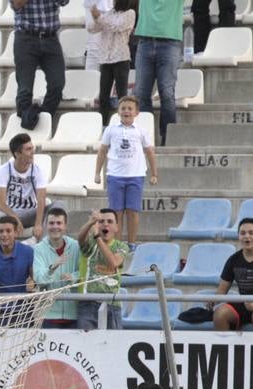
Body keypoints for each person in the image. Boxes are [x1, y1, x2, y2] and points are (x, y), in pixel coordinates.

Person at [95, 96, 158, 246]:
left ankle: (131, 243)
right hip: (115, 176)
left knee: (132, 211)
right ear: (118, 111)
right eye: (123, 108)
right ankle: (116, 244)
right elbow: (102, 151)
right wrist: (97, 173)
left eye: (130, 108)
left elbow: (149, 152)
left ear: (136, 112)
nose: (126, 111)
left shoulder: (141, 131)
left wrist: (154, 173)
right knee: (116, 212)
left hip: (135, 176)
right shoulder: (111, 130)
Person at [11, 0, 68, 131]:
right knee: (25, 89)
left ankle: (42, 118)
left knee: (57, 84)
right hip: (26, 38)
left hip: (50, 38)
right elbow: (16, 4)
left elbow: (64, 2)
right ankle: (25, 123)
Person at [133, 0, 183, 146]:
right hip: (144, 42)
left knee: (166, 93)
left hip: (170, 43)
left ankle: (168, 140)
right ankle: (146, 139)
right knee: (141, 94)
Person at [77, 208, 130, 329]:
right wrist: (90, 223)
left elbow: (113, 263)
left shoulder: (122, 246)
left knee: (113, 346)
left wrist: (97, 236)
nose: (105, 224)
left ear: (117, 227)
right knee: (86, 345)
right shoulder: (91, 244)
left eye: (110, 221)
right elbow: (80, 238)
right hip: (88, 303)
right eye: (101, 221)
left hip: (112, 304)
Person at [87, 0, 137, 123]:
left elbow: (117, 26)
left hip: (121, 58)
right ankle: (103, 124)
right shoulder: (109, 13)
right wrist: (94, 18)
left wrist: (99, 17)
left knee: (122, 96)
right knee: (103, 96)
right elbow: (92, 29)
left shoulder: (130, 13)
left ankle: (124, 124)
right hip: (105, 59)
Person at [32, 207, 82, 326]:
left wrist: (73, 277)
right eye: (51, 223)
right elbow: (39, 279)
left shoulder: (76, 246)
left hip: (74, 314)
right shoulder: (38, 249)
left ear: (65, 226)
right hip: (48, 316)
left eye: (59, 223)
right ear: (46, 226)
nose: (55, 227)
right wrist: (52, 268)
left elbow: (85, 272)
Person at [0, 133, 49, 241]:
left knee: (57, 206)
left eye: (32, 148)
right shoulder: (4, 170)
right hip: (12, 212)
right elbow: (1, 203)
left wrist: (38, 224)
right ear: (17, 154)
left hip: (31, 212)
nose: (33, 152)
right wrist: (15, 218)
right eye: (28, 149)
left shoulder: (37, 170)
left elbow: (41, 199)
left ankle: (43, 250)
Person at [211, 217, 253, 331]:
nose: (247, 236)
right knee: (220, 314)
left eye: (251, 233)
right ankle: (226, 347)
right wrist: (211, 302)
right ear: (239, 236)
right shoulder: (233, 260)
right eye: (242, 233)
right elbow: (221, 291)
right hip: (243, 304)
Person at [0, 216, 37, 297]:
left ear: (16, 233)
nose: (4, 234)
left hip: (24, 305)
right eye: (1, 231)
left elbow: (36, 282)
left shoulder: (28, 252)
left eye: (8, 231)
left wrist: (32, 284)